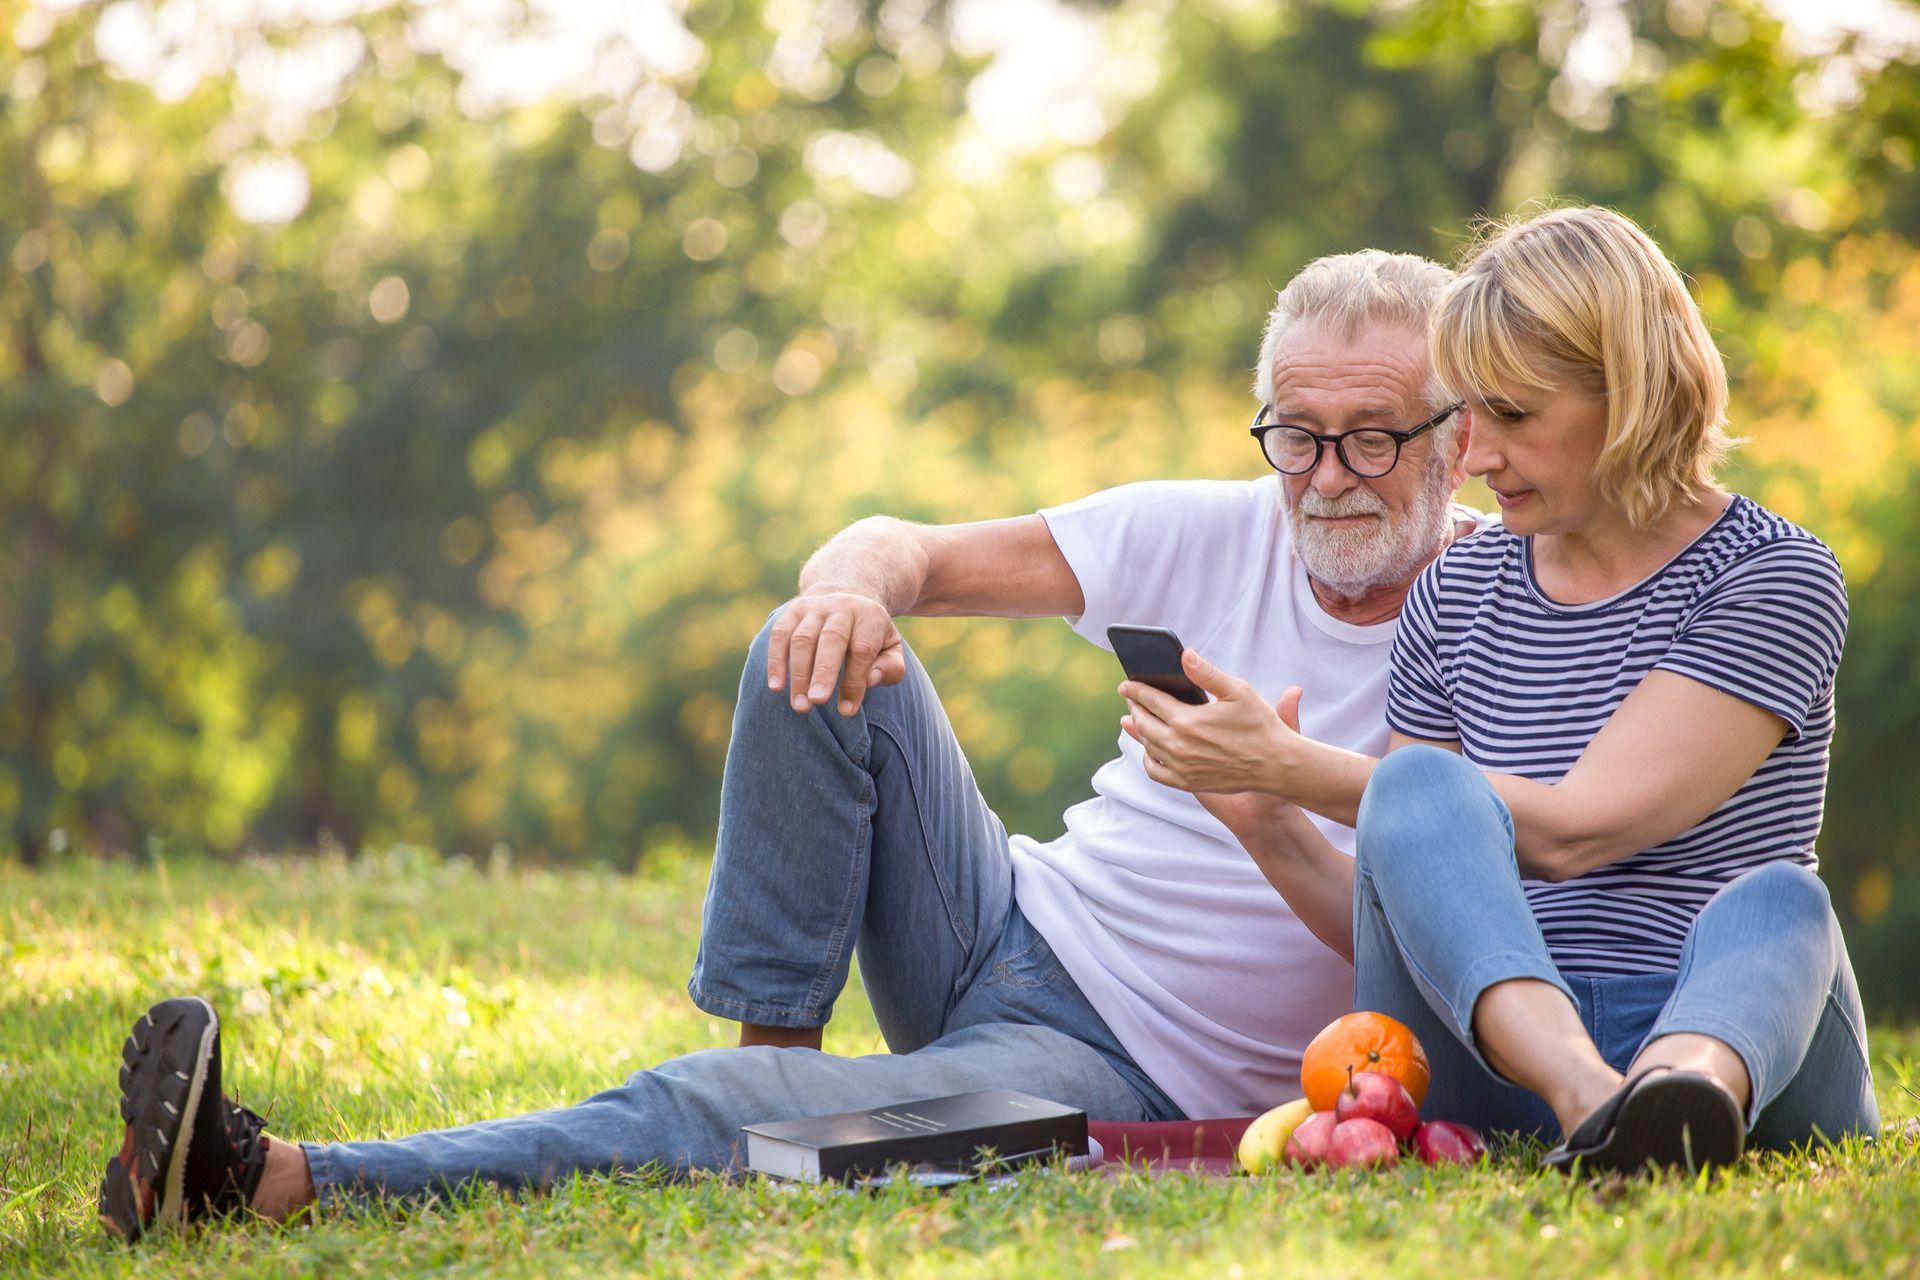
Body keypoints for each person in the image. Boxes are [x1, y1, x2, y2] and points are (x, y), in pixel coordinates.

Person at [98, 249, 1485, 1241]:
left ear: (1459, 435)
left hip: (1132, 1077)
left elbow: (1419, 969)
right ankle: (786, 1059)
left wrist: (1267, 807)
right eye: (1297, 437)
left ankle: (278, 1179)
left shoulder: (1502, 627)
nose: (1326, 479)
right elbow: (901, 547)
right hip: (1001, 927)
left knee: (725, 1112)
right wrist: (846, 589)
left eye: (1372, 439)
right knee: (815, 642)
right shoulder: (1206, 526)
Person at [1122, 205, 1878, 1174]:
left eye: (1513, 416)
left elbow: (1574, 828)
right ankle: (1597, 1103)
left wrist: (1297, 763)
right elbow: (1406, 900)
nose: (1474, 458)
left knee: (1781, 899)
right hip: (1505, 1052)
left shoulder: (1771, 576)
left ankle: (1679, 1094)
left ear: (1633, 393)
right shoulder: (1458, 588)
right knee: (1419, 792)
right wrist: (1268, 814)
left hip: (1746, 1046)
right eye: (1470, 414)